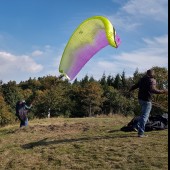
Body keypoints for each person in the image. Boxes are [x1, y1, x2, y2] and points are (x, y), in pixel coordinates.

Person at [129, 69, 168, 137]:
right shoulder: (152, 80)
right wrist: (163, 91)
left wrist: (130, 89)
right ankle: (141, 133)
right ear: (152, 74)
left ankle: (136, 126)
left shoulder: (142, 79)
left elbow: (135, 86)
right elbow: (153, 90)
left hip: (140, 99)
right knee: (145, 116)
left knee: (144, 115)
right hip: (147, 100)